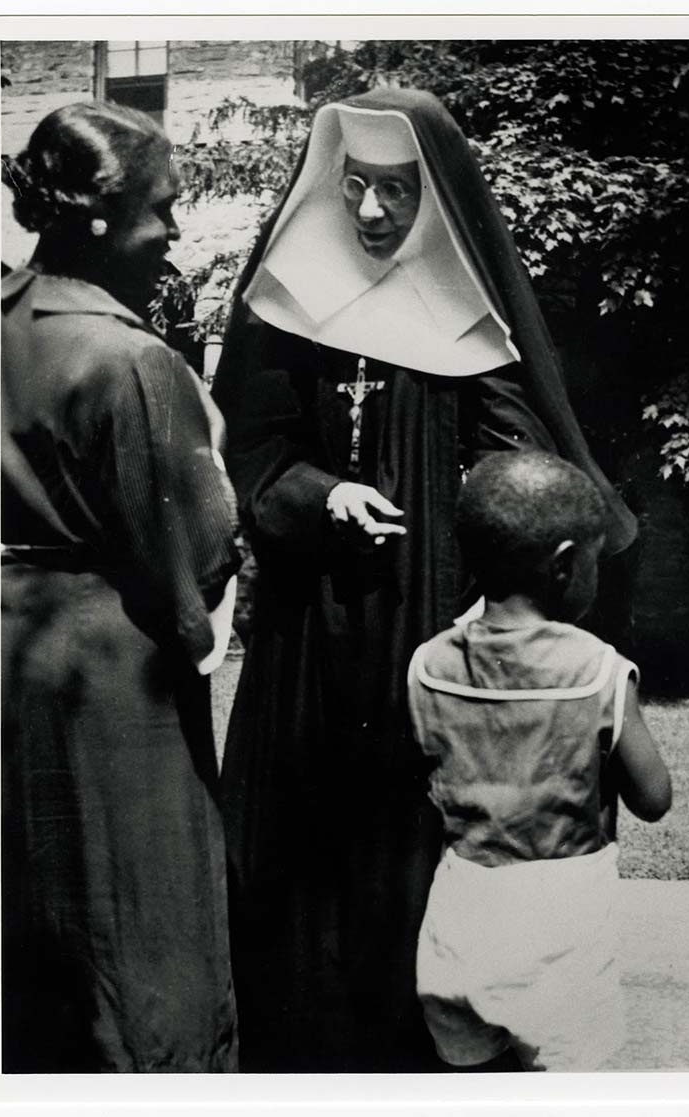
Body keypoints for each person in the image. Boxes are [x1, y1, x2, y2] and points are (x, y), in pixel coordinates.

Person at [211, 87, 639, 1072]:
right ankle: (295, 1041)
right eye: (353, 185)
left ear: (435, 198)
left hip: (429, 606)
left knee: (409, 828)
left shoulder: (468, 310)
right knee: (300, 836)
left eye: (395, 192)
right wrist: (320, 494)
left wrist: (463, 503)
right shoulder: (287, 305)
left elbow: (522, 458)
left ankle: (411, 1045)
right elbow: (252, 449)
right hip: (308, 622)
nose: (366, 211)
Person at [1, 102, 241, 1072]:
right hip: (113, 686)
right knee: (146, 944)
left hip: (10, 664)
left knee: (35, 934)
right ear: (98, 217)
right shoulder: (132, 359)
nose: (174, 233)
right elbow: (195, 546)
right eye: (162, 210)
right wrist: (194, 625)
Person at [409, 451, 672, 1072]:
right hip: (564, 929)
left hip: (460, 920)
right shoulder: (597, 669)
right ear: (562, 566)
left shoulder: (429, 664)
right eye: (593, 562)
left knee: (472, 1080)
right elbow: (654, 798)